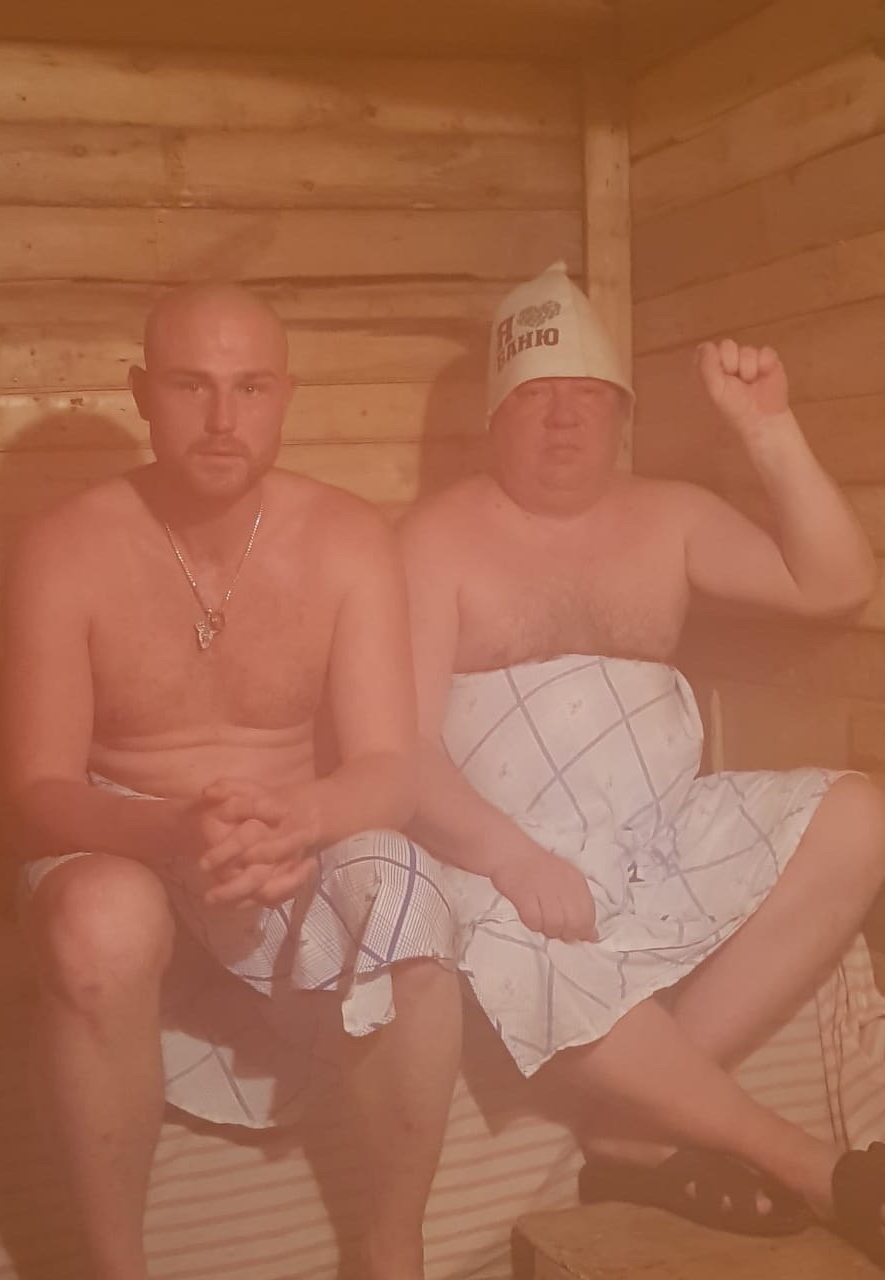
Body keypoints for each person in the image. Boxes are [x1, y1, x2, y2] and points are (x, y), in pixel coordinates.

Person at [397, 261, 885, 1267]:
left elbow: (837, 583)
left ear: (621, 413)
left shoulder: (671, 514)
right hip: (503, 855)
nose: (564, 419)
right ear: (494, 417)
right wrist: (511, 857)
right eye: (536, 396)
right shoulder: (434, 538)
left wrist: (767, 430)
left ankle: (630, 1131)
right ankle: (809, 1163)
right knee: (507, 939)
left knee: (863, 816)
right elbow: (398, 745)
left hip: (659, 837)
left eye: (589, 396)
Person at [3, 283, 461, 1280]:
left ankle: (393, 1248)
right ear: (142, 394)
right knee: (100, 925)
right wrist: (173, 828)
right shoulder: (65, 546)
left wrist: (298, 817)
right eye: (190, 385)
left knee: (416, 902)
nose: (222, 417)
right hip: (125, 832)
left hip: (290, 828)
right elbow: (39, 787)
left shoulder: (346, 537)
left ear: (284, 395)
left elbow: (389, 768)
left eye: (250, 387)